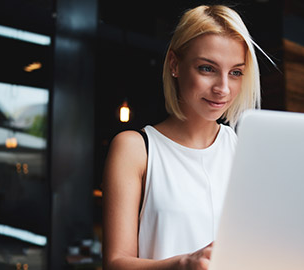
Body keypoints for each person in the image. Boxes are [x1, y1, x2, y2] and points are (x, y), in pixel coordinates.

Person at [102, 5, 265, 270]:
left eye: (235, 72)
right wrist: (183, 264)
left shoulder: (243, 150)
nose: (223, 88)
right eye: (207, 69)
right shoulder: (135, 149)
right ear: (175, 65)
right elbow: (114, 263)